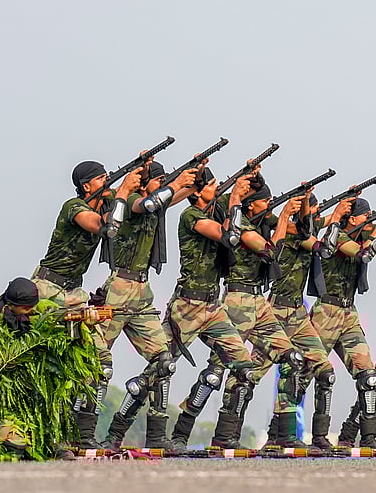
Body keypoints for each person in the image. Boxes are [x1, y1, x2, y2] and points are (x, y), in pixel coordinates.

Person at [32, 160, 142, 447]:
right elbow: (105, 228)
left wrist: (171, 184)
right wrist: (121, 192)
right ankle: (51, 432)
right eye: (102, 178)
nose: (108, 181)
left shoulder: (106, 205)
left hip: (74, 292)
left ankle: (84, 436)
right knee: (55, 362)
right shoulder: (74, 207)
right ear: (87, 185)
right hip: (48, 289)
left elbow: (142, 207)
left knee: (101, 364)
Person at [99, 160, 200, 450]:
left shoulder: (158, 200)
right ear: (147, 183)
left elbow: (182, 192)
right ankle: (82, 433)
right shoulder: (132, 201)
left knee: (164, 362)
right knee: (98, 365)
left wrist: (195, 172)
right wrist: (176, 182)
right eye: (161, 180)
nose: (166, 184)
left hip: (142, 291)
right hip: (118, 289)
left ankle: (155, 436)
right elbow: (153, 203)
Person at [164, 168, 257, 451]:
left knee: (245, 370)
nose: (218, 187)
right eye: (213, 183)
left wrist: (246, 181)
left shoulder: (216, 209)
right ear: (197, 191)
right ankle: (121, 434)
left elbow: (244, 208)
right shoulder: (191, 216)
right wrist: (235, 201)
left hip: (213, 306)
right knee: (160, 367)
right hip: (187, 306)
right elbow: (227, 235)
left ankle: (224, 435)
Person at [263, 190, 354, 449]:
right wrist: (336, 216)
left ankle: (312, 437)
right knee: (247, 376)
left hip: (298, 314)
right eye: (313, 213)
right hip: (275, 311)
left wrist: (337, 213)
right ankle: (228, 436)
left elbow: (317, 225)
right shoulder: (295, 234)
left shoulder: (305, 229)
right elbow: (323, 246)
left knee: (325, 372)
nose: (317, 218)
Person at [312, 198, 376, 449]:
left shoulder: (359, 235)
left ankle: (367, 437)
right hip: (327, 311)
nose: (369, 221)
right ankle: (308, 435)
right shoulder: (339, 237)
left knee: (369, 378)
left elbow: (370, 243)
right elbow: (365, 254)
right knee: (313, 374)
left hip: (348, 312)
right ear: (352, 220)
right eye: (366, 216)